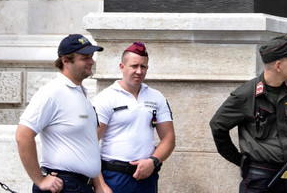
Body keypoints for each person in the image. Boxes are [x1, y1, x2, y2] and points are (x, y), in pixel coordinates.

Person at [209, 34, 287, 193]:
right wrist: (240, 160)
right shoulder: (246, 94)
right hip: (260, 180)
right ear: (278, 65)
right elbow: (217, 125)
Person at [15, 34, 112, 193]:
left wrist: (98, 184)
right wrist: (40, 180)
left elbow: (86, 144)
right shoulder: (52, 92)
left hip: (81, 185)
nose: (92, 61)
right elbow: (23, 135)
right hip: (64, 186)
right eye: (85, 57)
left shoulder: (81, 92)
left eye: (92, 56)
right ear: (66, 61)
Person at [92, 40, 175, 193]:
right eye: (134, 66)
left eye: (143, 66)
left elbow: (169, 138)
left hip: (147, 177)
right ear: (122, 67)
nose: (139, 71)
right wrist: (100, 185)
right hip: (114, 177)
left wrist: (153, 161)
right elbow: (89, 143)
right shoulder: (105, 99)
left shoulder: (157, 97)